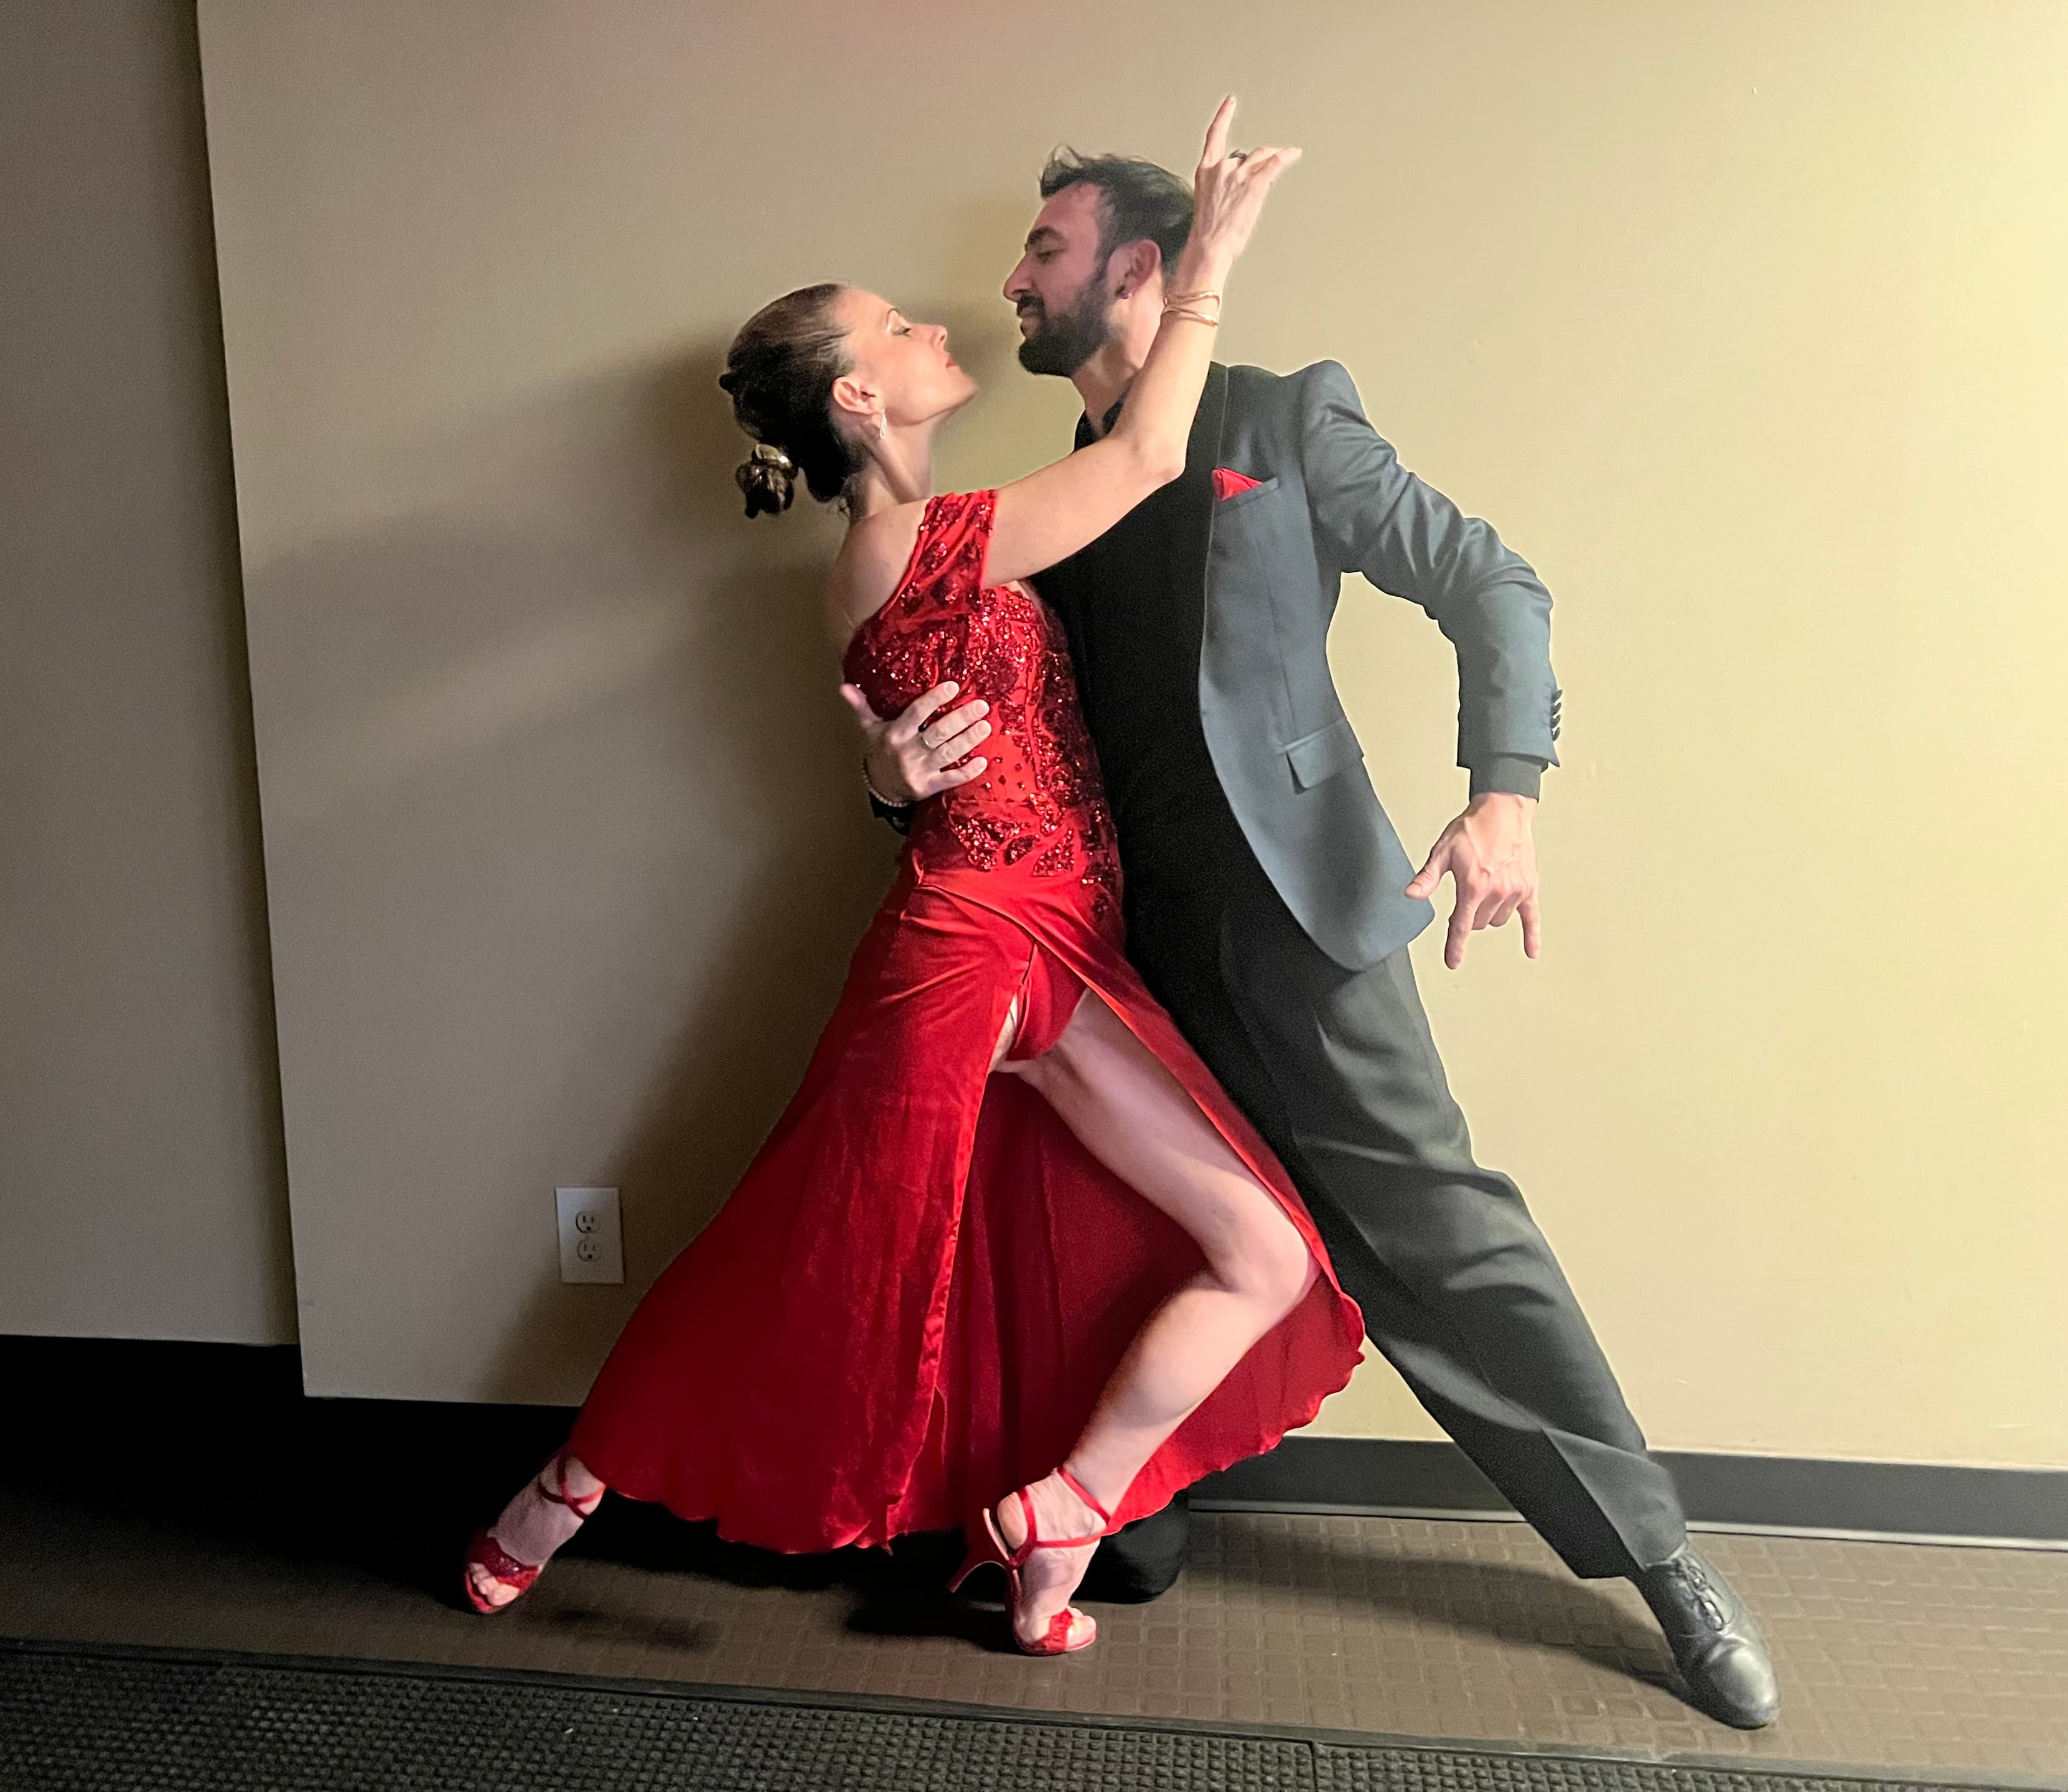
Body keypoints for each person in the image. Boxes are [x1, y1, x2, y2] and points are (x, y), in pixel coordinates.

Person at [850, 147, 1780, 1727]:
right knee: (1146, 1247)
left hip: (1307, 932)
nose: (1013, 279)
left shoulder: (1280, 420)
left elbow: (1495, 582)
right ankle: (1102, 1525)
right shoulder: (1058, 495)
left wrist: (1507, 795)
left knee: (1447, 1247)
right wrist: (890, 786)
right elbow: (971, 731)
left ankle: (1663, 1559)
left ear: (1140, 269)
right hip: (1123, 961)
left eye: (1045, 247)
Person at [461, 100, 1365, 1659]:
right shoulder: (912, 545)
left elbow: (929, 732)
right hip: (966, 948)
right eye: (897, 324)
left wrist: (890, 779)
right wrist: (1210, 255)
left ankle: (1061, 1516)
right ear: (861, 394)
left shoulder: (944, 543)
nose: (940, 319)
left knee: (1269, 1256)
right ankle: (554, 1494)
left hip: (1060, 949)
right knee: (807, 1253)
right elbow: (1153, 449)